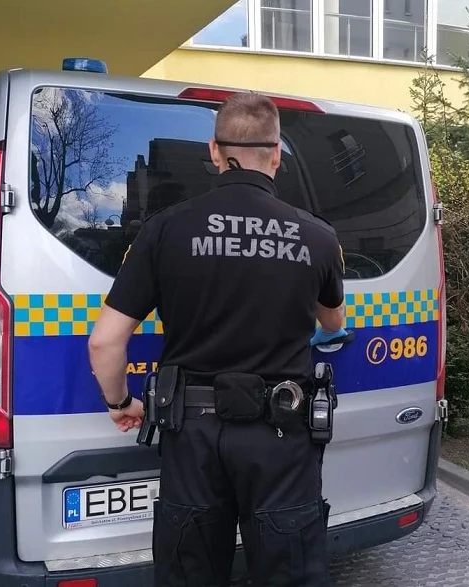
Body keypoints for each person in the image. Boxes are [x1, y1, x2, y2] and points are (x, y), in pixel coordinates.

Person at [88, 91, 347, 587]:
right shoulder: (317, 236)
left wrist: (120, 403)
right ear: (277, 155)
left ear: (214, 151)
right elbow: (333, 323)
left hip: (192, 436)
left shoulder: (164, 229)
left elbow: (104, 343)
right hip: (281, 435)